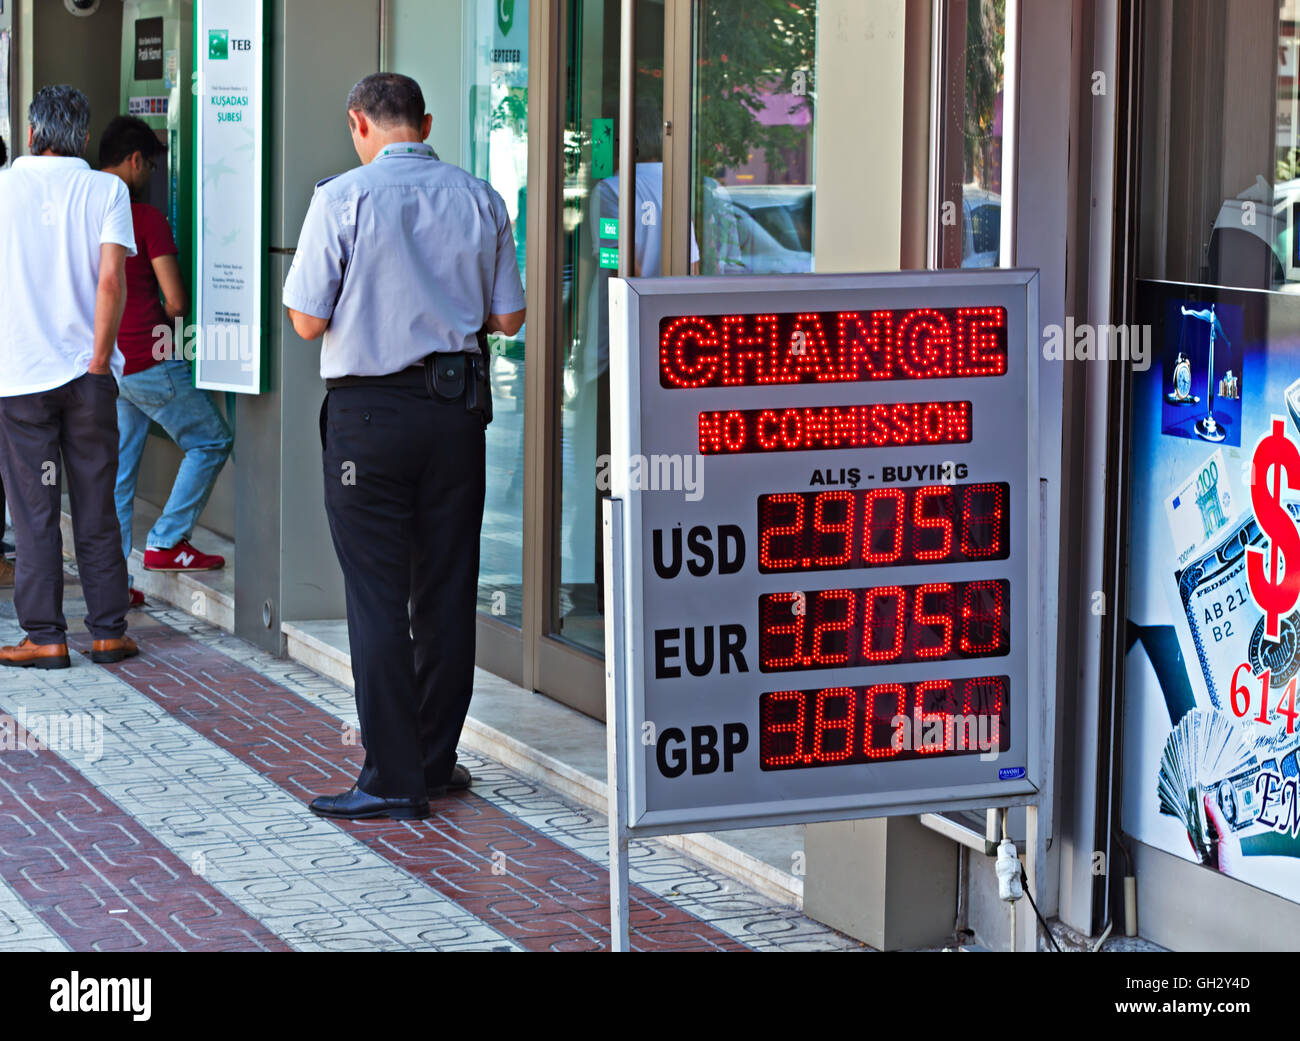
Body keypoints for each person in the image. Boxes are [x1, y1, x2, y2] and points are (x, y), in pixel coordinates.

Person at [283, 73, 525, 821]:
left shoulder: (342, 198)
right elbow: (510, 319)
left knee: (378, 596)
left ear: (359, 123)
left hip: (369, 418)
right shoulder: (481, 197)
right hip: (455, 413)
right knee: (446, 587)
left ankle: (391, 776)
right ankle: (432, 758)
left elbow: (303, 321)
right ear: (424, 121)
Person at [0, 86, 138, 668]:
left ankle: (46, 636)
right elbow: (111, 282)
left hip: (19, 376)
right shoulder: (107, 189)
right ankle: (108, 632)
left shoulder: (4, 188)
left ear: (33, 134)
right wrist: (100, 361)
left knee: (34, 509)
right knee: (96, 502)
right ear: (83, 138)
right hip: (88, 373)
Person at [99, 116, 232, 602]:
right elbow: (175, 302)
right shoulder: (145, 219)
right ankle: (167, 540)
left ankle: (113, 586)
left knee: (119, 477)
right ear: (135, 161)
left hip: (108, 363)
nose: (151, 175)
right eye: (151, 166)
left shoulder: (86, 212)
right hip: (151, 359)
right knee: (212, 440)